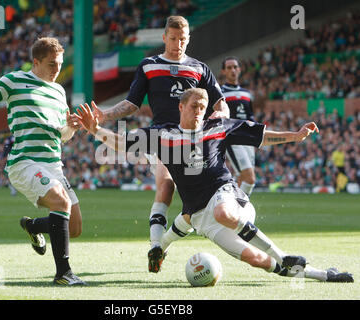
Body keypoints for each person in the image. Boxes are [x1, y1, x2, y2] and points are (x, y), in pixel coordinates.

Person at [74, 88, 353, 283]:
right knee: (259, 261)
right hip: (201, 217)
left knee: (222, 213)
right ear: (181, 107)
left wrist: (294, 135)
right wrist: (95, 130)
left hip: (229, 197)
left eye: (202, 107)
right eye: (193, 106)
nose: (198, 111)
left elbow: (261, 136)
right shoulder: (161, 135)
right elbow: (122, 143)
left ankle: (286, 256)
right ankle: (321, 274)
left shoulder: (217, 127)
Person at [0, 37, 86, 286]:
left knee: (74, 228)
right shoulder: (15, 80)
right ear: (36, 62)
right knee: (61, 202)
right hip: (25, 162)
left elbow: (61, 135)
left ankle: (32, 226)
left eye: (60, 64)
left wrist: (72, 127)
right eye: (52, 64)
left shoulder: (59, 90)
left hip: (54, 165)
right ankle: (63, 274)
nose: (57, 70)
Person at [92, 15, 230, 272]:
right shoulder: (149, 65)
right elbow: (132, 104)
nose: (178, 44)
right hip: (162, 137)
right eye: (174, 38)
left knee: (194, 200)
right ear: (164, 37)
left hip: (193, 140)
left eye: (183, 39)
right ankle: (156, 246)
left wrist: (220, 115)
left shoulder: (200, 68)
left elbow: (221, 105)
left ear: (189, 39)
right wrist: (105, 114)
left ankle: (164, 243)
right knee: (165, 185)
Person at [220, 57, 256, 197]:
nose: (233, 70)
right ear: (223, 71)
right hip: (233, 139)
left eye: (235, 67)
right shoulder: (220, 92)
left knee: (242, 178)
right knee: (250, 178)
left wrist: (255, 138)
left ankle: (230, 208)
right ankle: (240, 209)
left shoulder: (246, 94)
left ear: (239, 69)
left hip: (248, 140)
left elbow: (250, 117)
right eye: (229, 68)